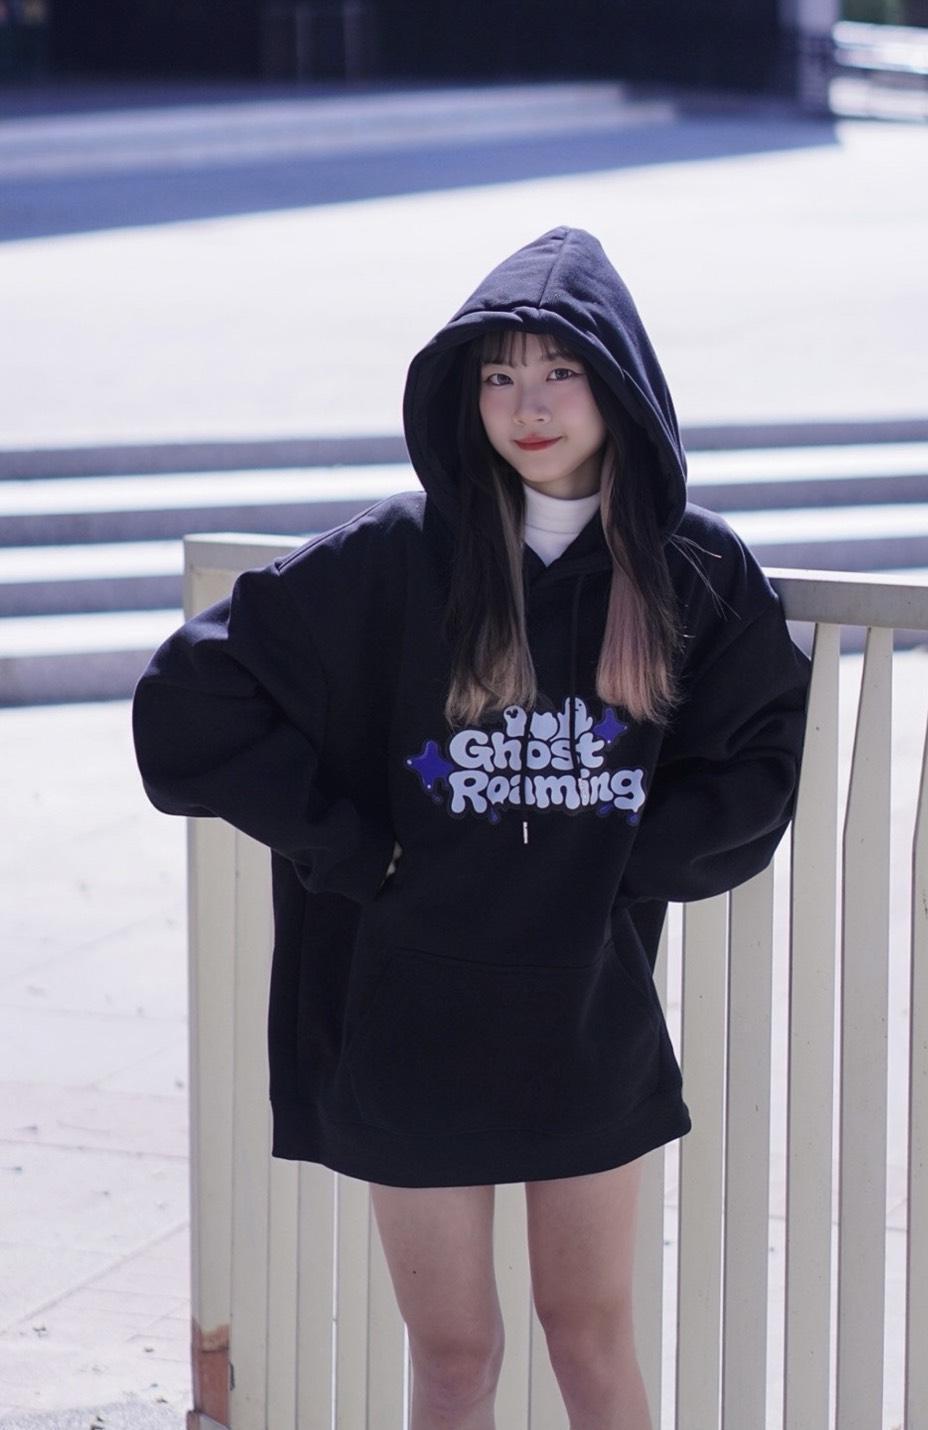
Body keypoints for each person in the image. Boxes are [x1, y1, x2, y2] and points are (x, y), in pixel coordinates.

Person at [132, 225, 811, 1429]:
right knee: (455, 1356)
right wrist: (348, 846)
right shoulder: (400, 555)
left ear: (618, 382)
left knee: (588, 1334)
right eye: (498, 375)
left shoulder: (691, 566)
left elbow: (759, 760)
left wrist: (623, 863)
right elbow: (191, 696)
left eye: (558, 371)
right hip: (413, 1014)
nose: (526, 405)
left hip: (583, 1011)